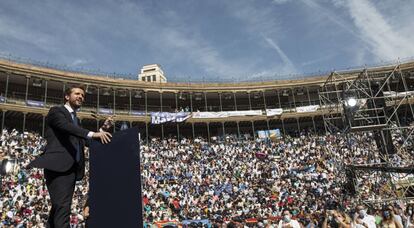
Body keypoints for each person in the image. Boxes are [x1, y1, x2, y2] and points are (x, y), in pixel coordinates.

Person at [27, 85, 113, 228]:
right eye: (77, 93)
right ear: (67, 96)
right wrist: (92, 133)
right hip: (58, 166)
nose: (81, 97)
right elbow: (66, 127)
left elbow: (85, 141)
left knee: (58, 207)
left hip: (71, 169)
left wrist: (103, 129)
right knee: (62, 207)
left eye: (83, 95)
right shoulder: (56, 111)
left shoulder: (76, 121)